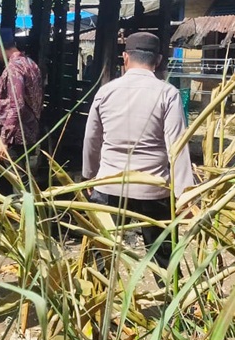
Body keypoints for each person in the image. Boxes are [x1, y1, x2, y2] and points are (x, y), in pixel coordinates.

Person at [81, 32, 194, 271]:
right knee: (165, 261)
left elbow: (92, 138)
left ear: (125, 58)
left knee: (100, 258)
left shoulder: (106, 92)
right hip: (153, 189)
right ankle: (172, 304)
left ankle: (96, 306)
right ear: (159, 60)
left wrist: (89, 176)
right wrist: (186, 193)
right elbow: (177, 145)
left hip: (110, 184)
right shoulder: (167, 93)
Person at [0, 27, 44, 177]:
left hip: (16, 136)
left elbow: (16, 105)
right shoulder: (31, 64)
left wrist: (4, 140)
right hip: (31, 131)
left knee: (19, 180)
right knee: (25, 176)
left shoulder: (14, 68)